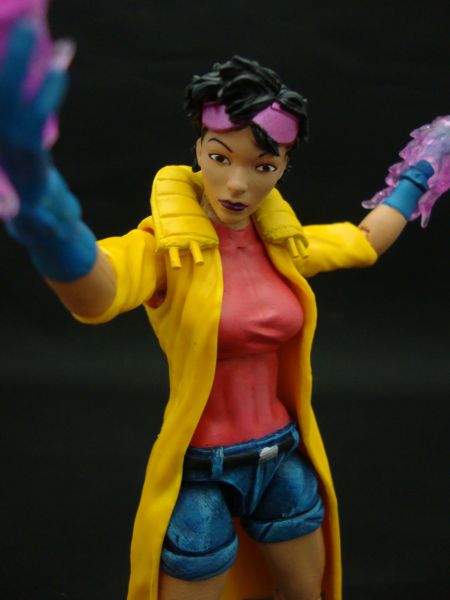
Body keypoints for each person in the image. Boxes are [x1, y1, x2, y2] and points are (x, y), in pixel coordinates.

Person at [1, 21, 447, 600]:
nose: (237, 184)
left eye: (263, 166)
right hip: (204, 472)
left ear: (283, 167)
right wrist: (43, 210)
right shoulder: (169, 248)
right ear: (198, 148)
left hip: (283, 457)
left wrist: (420, 173)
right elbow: (98, 292)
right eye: (220, 157)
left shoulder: (281, 244)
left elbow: (362, 241)